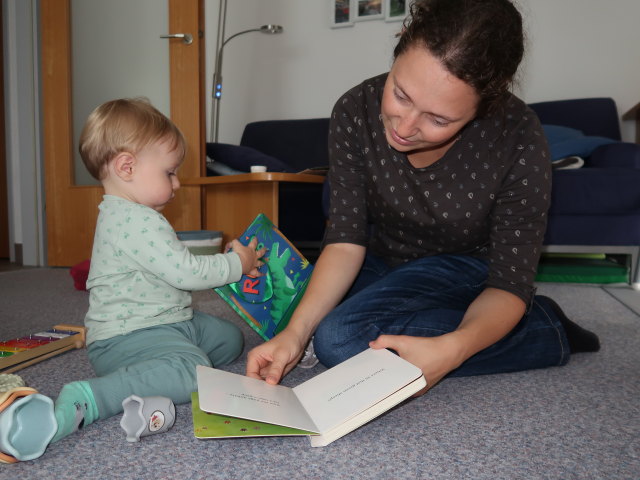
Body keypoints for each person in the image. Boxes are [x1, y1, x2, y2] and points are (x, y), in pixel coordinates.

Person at [246, 0, 599, 393]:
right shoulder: (354, 110)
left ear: (484, 107)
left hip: (467, 267)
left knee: (338, 339)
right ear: (398, 48)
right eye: (400, 95)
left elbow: (509, 281)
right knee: (288, 317)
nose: (405, 126)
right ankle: (474, 322)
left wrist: (454, 349)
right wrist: (296, 332)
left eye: (439, 119)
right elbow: (346, 240)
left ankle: (542, 329)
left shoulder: (518, 137)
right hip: (382, 257)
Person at [47, 98, 265, 444]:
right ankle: (95, 395)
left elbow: (173, 263)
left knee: (229, 339)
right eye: (170, 172)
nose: (176, 184)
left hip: (167, 321)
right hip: (127, 337)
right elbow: (186, 273)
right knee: (196, 373)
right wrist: (238, 264)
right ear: (127, 167)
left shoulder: (132, 215)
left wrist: (223, 263)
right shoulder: (135, 220)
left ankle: (160, 368)